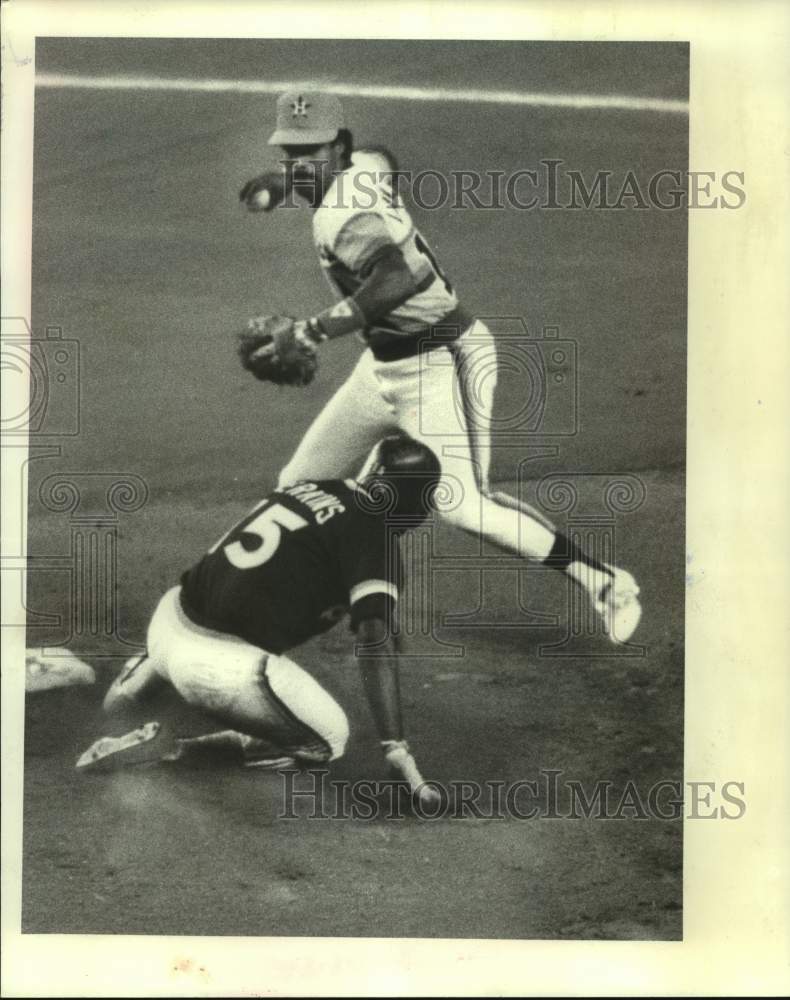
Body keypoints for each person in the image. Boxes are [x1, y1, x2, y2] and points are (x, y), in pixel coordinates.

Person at [237, 90, 642, 643]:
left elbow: (401, 279)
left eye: (310, 152)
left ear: (339, 148)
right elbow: (380, 156)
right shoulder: (359, 168)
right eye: (290, 152)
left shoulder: (344, 212)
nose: (298, 162)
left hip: (445, 362)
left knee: (464, 504)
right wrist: (284, 180)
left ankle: (605, 582)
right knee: (298, 484)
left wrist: (310, 330)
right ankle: (264, 599)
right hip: (381, 368)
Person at [77, 436, 442, 808]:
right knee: (328, 741)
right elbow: (374, 644)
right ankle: (171, 748)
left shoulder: (315, 488)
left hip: (168, 621)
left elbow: (312, 551)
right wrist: (396, 748)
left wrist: (376, 612)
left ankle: (139, 684)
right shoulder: (377, 541)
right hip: (216, 670)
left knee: (124, 704)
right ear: (413, 503)